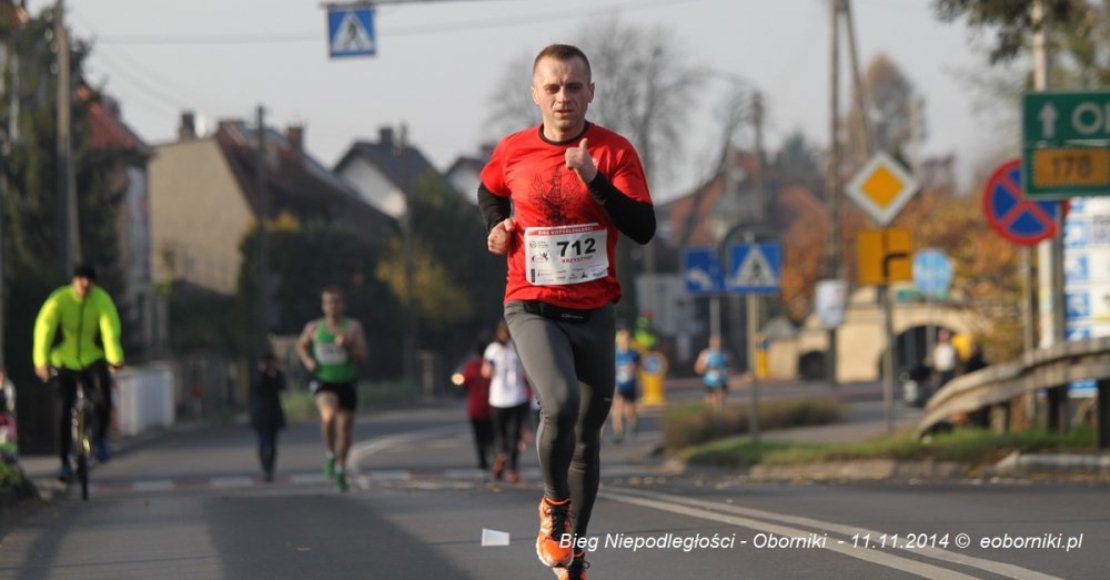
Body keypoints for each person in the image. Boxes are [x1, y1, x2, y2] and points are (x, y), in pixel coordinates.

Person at [478, 43, 655, 579]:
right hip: (532, 305)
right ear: (535, 94)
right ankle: (555, 511)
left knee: (588, 433)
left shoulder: (613, 151)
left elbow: (642, 228)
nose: (563, 97)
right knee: (558, 404)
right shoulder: (512, 151)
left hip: (596, 308)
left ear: (590, 93)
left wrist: (594, 179)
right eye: (552, 87)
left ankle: (574, 550)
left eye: (574, 87)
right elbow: (487, 192)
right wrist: (496, 226)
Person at [33, 265, 124, 482]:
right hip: (64, 360)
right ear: (73, 281)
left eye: (89, 281)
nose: (84, 285)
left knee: (103, 396)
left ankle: (100, 439)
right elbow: (44, 328)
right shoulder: (59, 300)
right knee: (64, 408)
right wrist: (41, 361)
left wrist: (114, 357)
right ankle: (64, 462)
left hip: (92, 358)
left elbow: (110, 328)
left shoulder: (101, 300)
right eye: (80, 280)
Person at [295, 286, 368, 492]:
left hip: (347, 381)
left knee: (345, 431)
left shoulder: (353, 327)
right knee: (329, 415)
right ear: (323, 306)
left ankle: (341, 470)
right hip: (323, 380)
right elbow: (300, 345)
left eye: (336, 302)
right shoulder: (314, 327)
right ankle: (329, 454)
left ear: (342, 305)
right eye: (328, 302)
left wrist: (348, 347)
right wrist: (308, 360)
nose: (332, 306)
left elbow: (363, 356)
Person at [482, 321, 530, 484]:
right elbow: (526, 373)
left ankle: (503, 458)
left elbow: (486, 372)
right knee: (513, 435)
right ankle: (511, 468)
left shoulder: (492, 350)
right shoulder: (518, 348)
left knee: (502, 435)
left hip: (499, 398)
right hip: (516, 396)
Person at [455, 339, 494, 471]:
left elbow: (463, 383)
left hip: (475, 407)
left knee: (479, 438)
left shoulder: (470, 367)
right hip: (492, 406)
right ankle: (494, 459)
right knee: (491, 437)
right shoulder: (492, 365)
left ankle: (482, 462)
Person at [250, 352, 286, 482]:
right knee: (262, 443)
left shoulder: (276, 374)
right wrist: (262, 372)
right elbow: (257, 387)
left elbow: (282, 386)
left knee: (272, 444)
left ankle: (270, 469)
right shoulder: (257, 375)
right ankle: (265, 468)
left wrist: (274, 373)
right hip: (260, 415)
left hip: (274, 414)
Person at [610, 327, 641, 443]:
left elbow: (640, 367)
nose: (624, 341)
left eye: (626, 338)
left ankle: (632, 428)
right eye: (622, 339)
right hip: (618, 385)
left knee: (630, 409)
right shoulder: (614, 354)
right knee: (617, 408)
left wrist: (635, 367)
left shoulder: (634, 354)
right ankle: (618, 432)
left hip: (631, 384)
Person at [694, 336, 730, 408]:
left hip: (722, 382)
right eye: (714, 342)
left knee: (721, 403)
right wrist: (706, 368)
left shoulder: (726, 354)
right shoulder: (705, 354)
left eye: (719, 342)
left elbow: (731, 367)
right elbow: (697, 368)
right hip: (710, 382)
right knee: (711, 403)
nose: (717, 344)